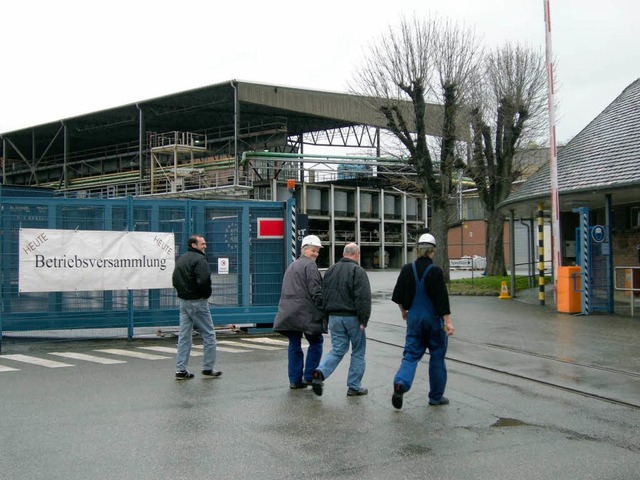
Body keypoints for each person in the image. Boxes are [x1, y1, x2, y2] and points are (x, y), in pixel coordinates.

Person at [390, 233, 454, 409]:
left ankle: (400, 383)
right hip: (433, 320)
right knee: (437, 357)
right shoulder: (435, 271)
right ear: (432, 251)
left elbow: (398, 296)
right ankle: (436, 397)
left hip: (414, 318)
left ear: (417, 250)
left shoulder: (407, 269)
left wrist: (404, 312)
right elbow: (442, 300)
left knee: (410, 355)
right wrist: (448, 322)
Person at [312, 243, 371, 397]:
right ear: (356, 254)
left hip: (334, 317)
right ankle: (354, 386)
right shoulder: (357, 270)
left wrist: (326, 316)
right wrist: (363, 320)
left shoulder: (331, 270)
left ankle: (320, 371)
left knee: (338, 349)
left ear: (344, 253)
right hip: (352, 317)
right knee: (358, 350)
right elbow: (362, 298)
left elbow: (324, 294)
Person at [273, 234, 326, 389]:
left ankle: (295, 380)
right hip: (305, 313)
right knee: (316, 342)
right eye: (313, 251)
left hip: (289, 313)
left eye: (317, 251)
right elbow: (315, 291)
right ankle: (309, 376)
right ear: (304, 250)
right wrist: (323, 308)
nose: (315, 254)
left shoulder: (293, 265)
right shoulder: (310, 266)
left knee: (294, 344)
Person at [172, 234, 221, 380]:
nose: (205, 246)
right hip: (197, 301)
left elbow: (175, 278)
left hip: (184, 301)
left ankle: (181, 370)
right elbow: (204, 280)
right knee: (209, 334)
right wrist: (205, 295)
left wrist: (182, 293)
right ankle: (208, 368)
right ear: (194, 245)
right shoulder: (200, 259)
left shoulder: (182, 258)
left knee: (184, 337)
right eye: (202, 244)